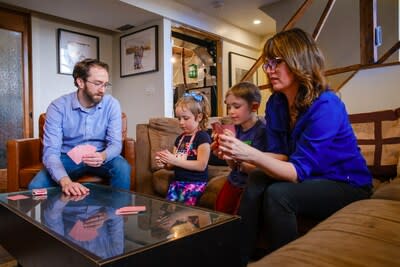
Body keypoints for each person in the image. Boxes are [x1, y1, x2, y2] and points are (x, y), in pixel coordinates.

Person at [216, 28, 373, 265]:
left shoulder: (326, 105)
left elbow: (297, 171)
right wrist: (235, 154)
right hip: (309, 176)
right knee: (258, 179)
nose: (269, 70)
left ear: (299, 59)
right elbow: (281, 156)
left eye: (276, 62)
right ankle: (239, 258)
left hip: (345, 183)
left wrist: (249, 152)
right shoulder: (277, 103)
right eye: (267, 64)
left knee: (280, 195)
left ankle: (286, 262)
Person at [29, 58, 131, 196]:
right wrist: (65, 182)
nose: (102, 90)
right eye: (97, 83)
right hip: (67, 157)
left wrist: (103, 155)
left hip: (100, 156)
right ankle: (52, 217)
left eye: (105, 84)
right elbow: (51, 152)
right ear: (80, 82)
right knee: (35, 186)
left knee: (122, 167)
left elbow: (115, 144)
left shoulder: (112, 104)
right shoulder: (58, 106)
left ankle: (116, 215)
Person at [213, 82, 267, 215]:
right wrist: (224, 151)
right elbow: (233, 167)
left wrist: (235, 151)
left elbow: (259, 169)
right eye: (228, 107)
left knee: (239, 219)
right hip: (233, 180)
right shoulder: (235, 128)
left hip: (250, 185)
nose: (231, 112)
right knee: (219, 215)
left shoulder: (263, 131)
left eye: (236, 106)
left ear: (254, 106)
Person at [155, 92, 211, 206]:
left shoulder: (203, 137)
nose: (181, 122)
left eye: (185, 118)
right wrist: (166, 162)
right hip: (177, 184)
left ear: (199, 117)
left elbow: (202, 165)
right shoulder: (180, 139)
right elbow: (173, 165)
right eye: (179, 118)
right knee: (167, 214)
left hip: (194, 185)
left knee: (183, 216)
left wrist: (174, 160)